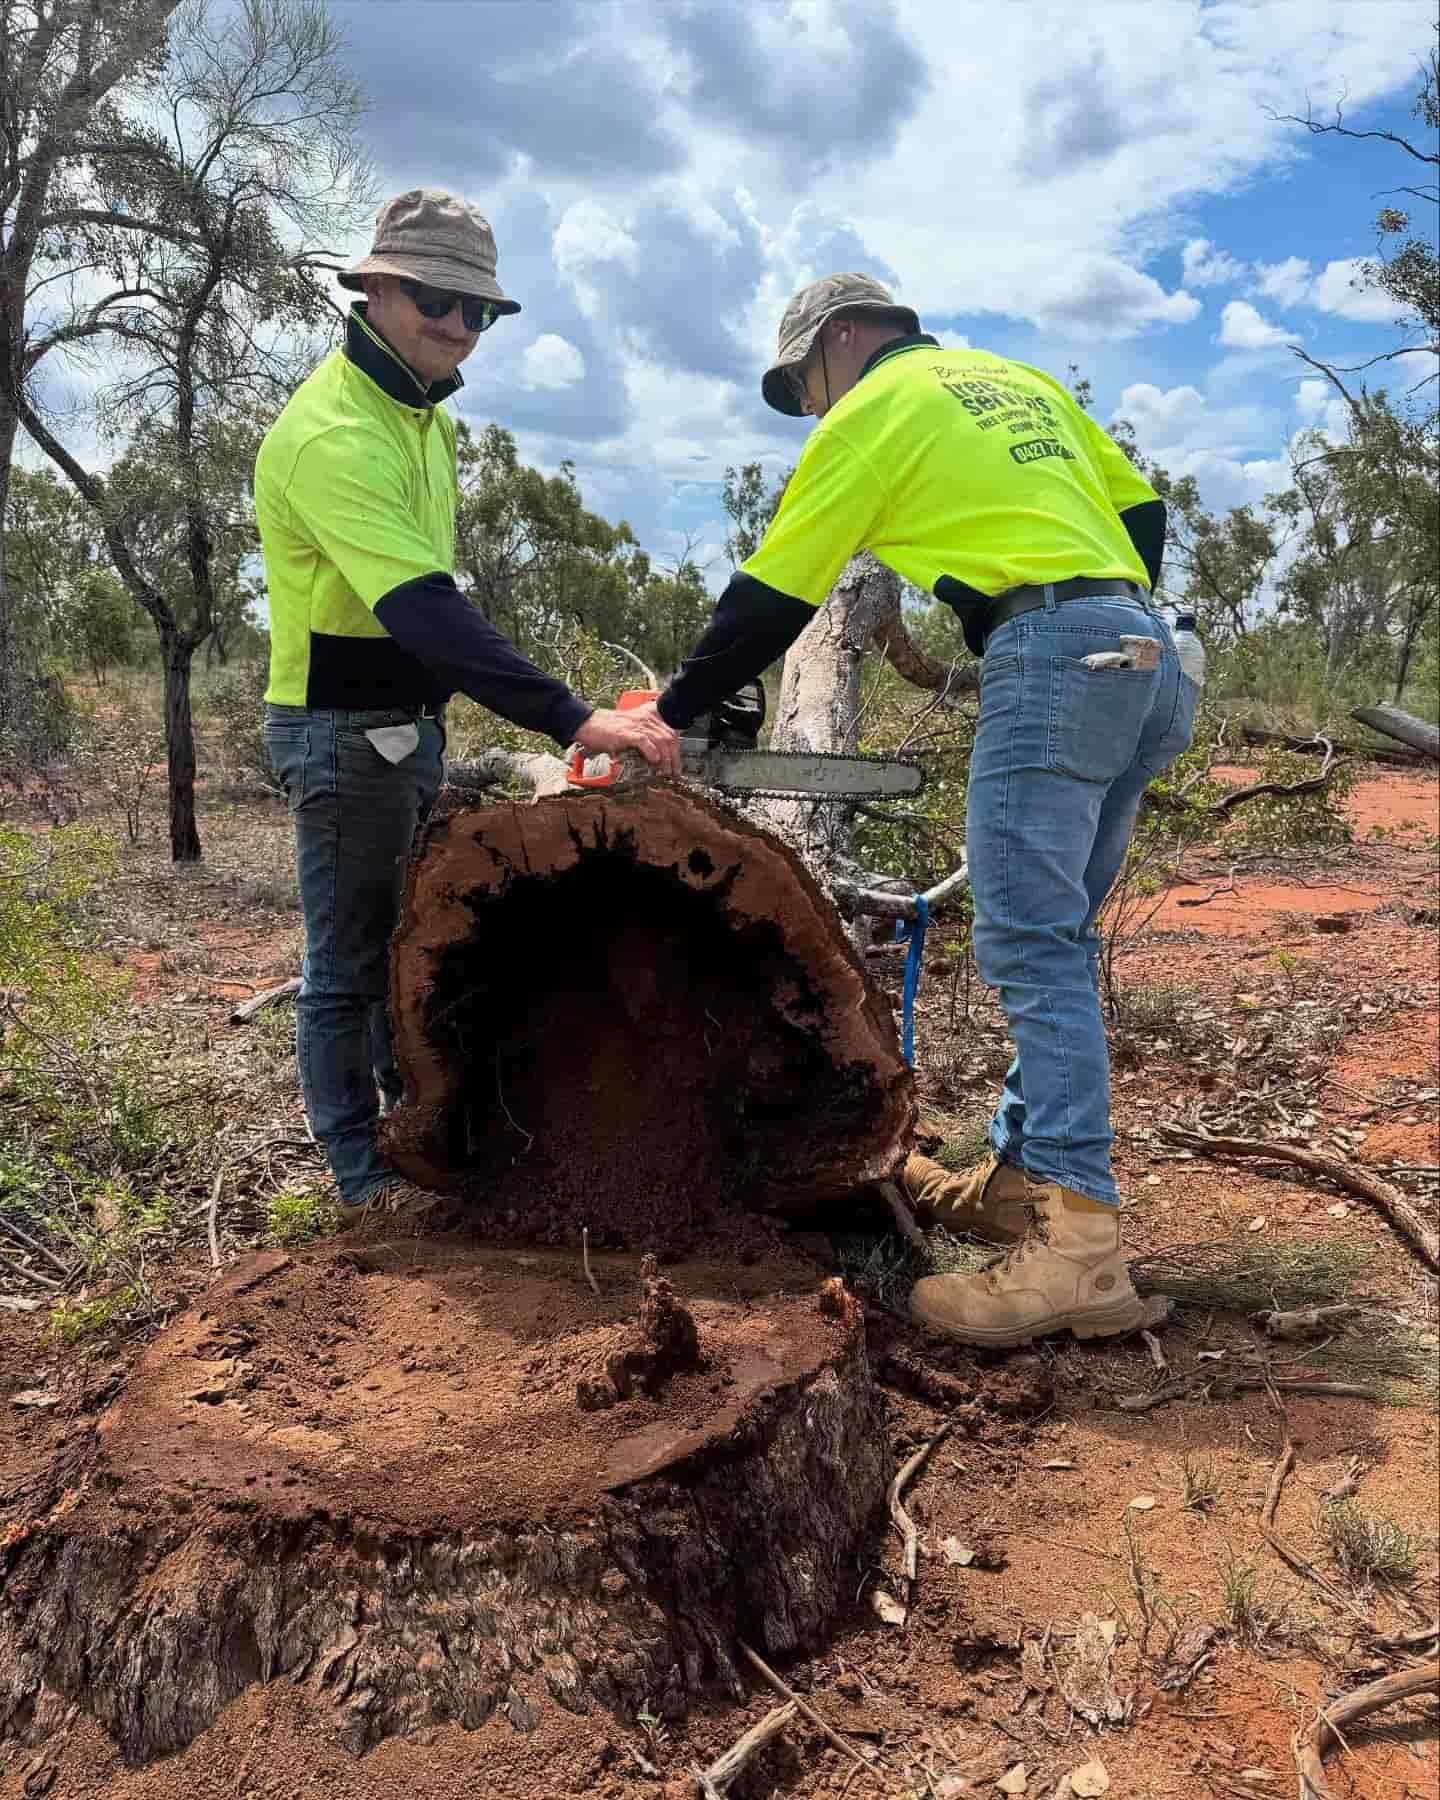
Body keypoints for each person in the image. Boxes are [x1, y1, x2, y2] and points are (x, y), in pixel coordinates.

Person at [643, 273, 1196, 1347]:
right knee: (1060, 940)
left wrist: (670, 712)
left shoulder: (876, 410)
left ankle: (1081, 1251)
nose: (811, 406)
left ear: (847, 339)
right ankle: (1023, 1180)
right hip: (1152, 656)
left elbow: (771, 592)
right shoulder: (1014, 379)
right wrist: (1110, 610)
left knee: (1034, 949)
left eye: (807, 379)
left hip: (1058, 651)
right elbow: (1141, 505)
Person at [254, 189, 678, 1224]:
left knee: (407, 941)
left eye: (478, 309)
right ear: (377, 287)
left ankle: (417, 1129)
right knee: (346, 962)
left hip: (404, 725)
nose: (456, 325)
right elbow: (422, 610)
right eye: (437, 298)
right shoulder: (333, 434)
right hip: (343, 729)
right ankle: (359, 1177)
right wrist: (576, 717)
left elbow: (433, 612)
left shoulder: (420, 417)